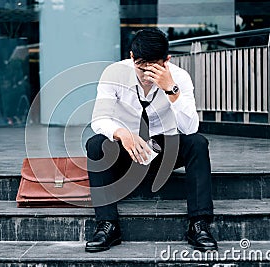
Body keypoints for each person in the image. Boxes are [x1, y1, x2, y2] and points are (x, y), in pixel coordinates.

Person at [85, 28, 217, 253]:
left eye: (154, 67)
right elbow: (100, 119)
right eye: (141, 66)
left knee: (198, 143)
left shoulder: (180, 78)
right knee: (96, 144)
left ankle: (199, 223)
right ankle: (107, 225)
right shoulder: (114, 73)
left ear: (167, 60)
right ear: (131, 57)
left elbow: (190, 128)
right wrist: (122, 134)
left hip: (163, 150)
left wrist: (170, 89)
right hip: (126, 150)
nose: (147, 74)